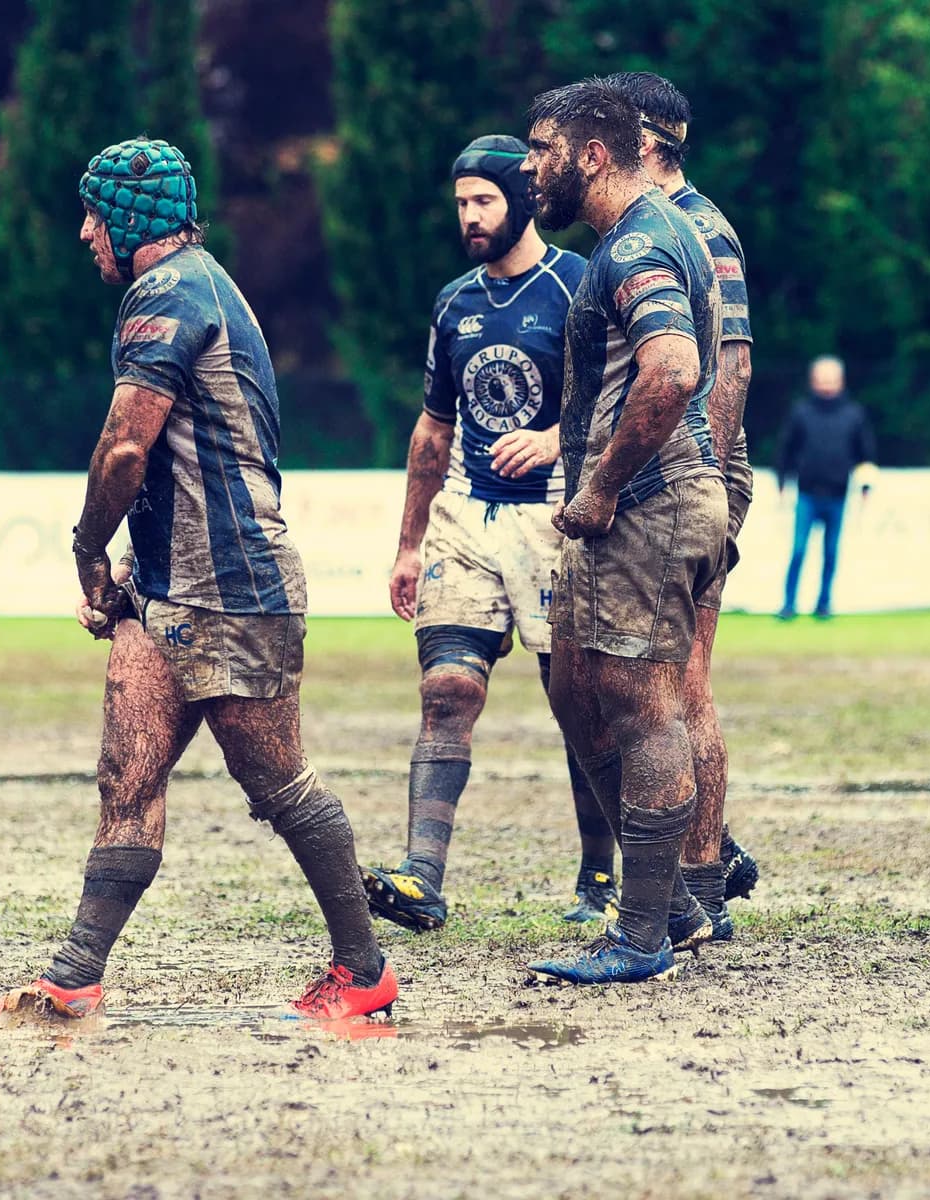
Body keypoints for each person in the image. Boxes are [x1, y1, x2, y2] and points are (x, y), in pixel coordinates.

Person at [0, 138, 394, 1022]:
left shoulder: (165, 293)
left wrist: (86, 550)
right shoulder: (194, 288)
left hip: (234, 589)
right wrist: (129, 565)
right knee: (129, 776)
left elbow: (125, 448)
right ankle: (75, 973)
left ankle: (366, 971)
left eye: (93, 215)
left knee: (278, 784)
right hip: (165, 589)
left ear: (128, 219)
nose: (83, 233)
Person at [361, 135, 598, 932]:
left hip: (557, 516)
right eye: (461, 202)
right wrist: (409, 543)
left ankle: (599, 876)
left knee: (579, 703)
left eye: (484, 200)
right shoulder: (454, 302)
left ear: (522, 199)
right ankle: (422, 876)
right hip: (466, 517)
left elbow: (623, 400)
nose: (469, 216)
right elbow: (433, 431)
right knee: (447, 689)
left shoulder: (578, 286)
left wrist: (556, 438)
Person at [520, 80, 726, 984]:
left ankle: (645, 932)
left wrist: (602, 486)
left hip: (647, 503)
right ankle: (669, 906)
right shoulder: (637, 237)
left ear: (591, 155)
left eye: (541, 151)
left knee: (645, 709)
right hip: (632, 508)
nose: (530, 169)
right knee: (573, 692)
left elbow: (673, 368)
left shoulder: (638, 243)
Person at [606, 69, 761, 940]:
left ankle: (699, 881)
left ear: (648, 138)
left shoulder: (701, 229)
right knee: (642, 682)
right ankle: (698, 859)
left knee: (682, 683)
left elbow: (728, 366)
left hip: (694, 472)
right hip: (664, 471)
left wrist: (706, 480)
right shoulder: (642, 228)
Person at [776, 356, 876, 621]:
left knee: (830, 554)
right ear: (813, 381)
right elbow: (786, 449)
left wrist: (866, 489)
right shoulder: (801, 412)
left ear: (840, 381)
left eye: (831, 379)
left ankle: (824, 604)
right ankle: (788, 605)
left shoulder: (854, 414)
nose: (826, 384)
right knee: (798, 551)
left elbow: (865, 454)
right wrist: (782, 483)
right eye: (822, 379)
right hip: (807, 495)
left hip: (838, 496)